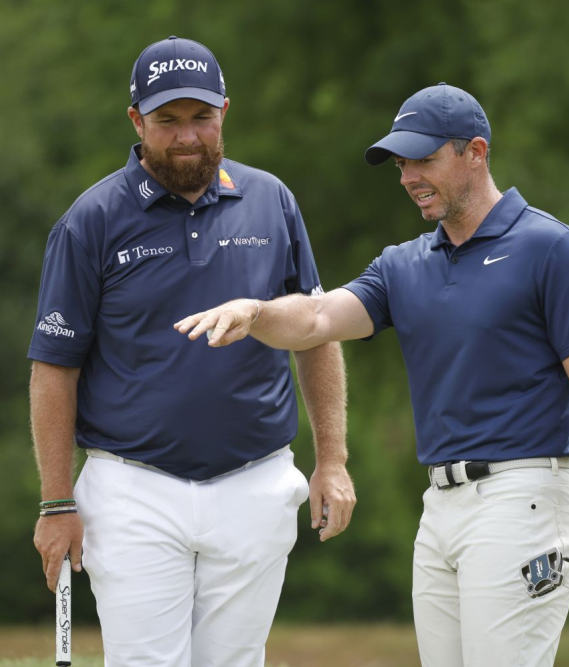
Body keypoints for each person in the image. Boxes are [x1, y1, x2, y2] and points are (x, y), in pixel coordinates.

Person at [175, 82, 569, 667]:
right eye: (401, 164)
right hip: (441, 509)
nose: (408, 177)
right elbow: (320, 317)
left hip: (524, 504)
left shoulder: (554, 250)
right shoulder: (403, 265)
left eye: (423, 160)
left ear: (475, 152)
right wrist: (256, 311)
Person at [28, 36, 355, 667]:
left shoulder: (272, 201)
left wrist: (332, 461)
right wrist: (56, 500)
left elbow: (316, 330)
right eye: (167, 121)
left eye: (201, 118)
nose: (187, 137)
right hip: (133, 489)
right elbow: (53, 367)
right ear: (136, 122)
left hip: (255, 480)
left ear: (224, 112)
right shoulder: (91, 220)